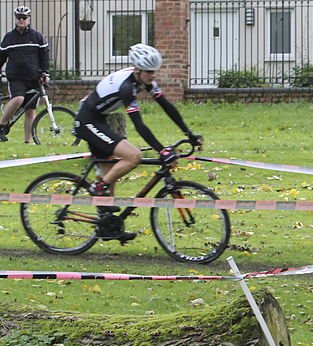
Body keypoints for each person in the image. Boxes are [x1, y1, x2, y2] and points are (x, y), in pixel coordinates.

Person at [73, 43, 202, 241]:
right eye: (149, 72)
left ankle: (107, 227)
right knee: (133, 156)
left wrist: (189, 133)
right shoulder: (127, 88)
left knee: (113, 169)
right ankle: (99, 187)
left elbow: (167, 106)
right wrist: (161, 151)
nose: (153, 76)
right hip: (88, 121)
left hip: (100, 119)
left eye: (154, 71)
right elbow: (139, 125)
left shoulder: (143, 80)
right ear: (138, 70)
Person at [0, 6, 49, 143]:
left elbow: (44, 56)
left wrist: (45, 73)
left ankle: (27, 142)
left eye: (24, 18)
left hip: (34, 78)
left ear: (28, 19)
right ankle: (2, 125)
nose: (21, 20)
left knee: (30, 110)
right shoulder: (9, 38)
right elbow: (1, 57)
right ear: (16, 20)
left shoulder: (37, 37)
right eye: (19, 18)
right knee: (18, 99)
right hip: (16, 77)